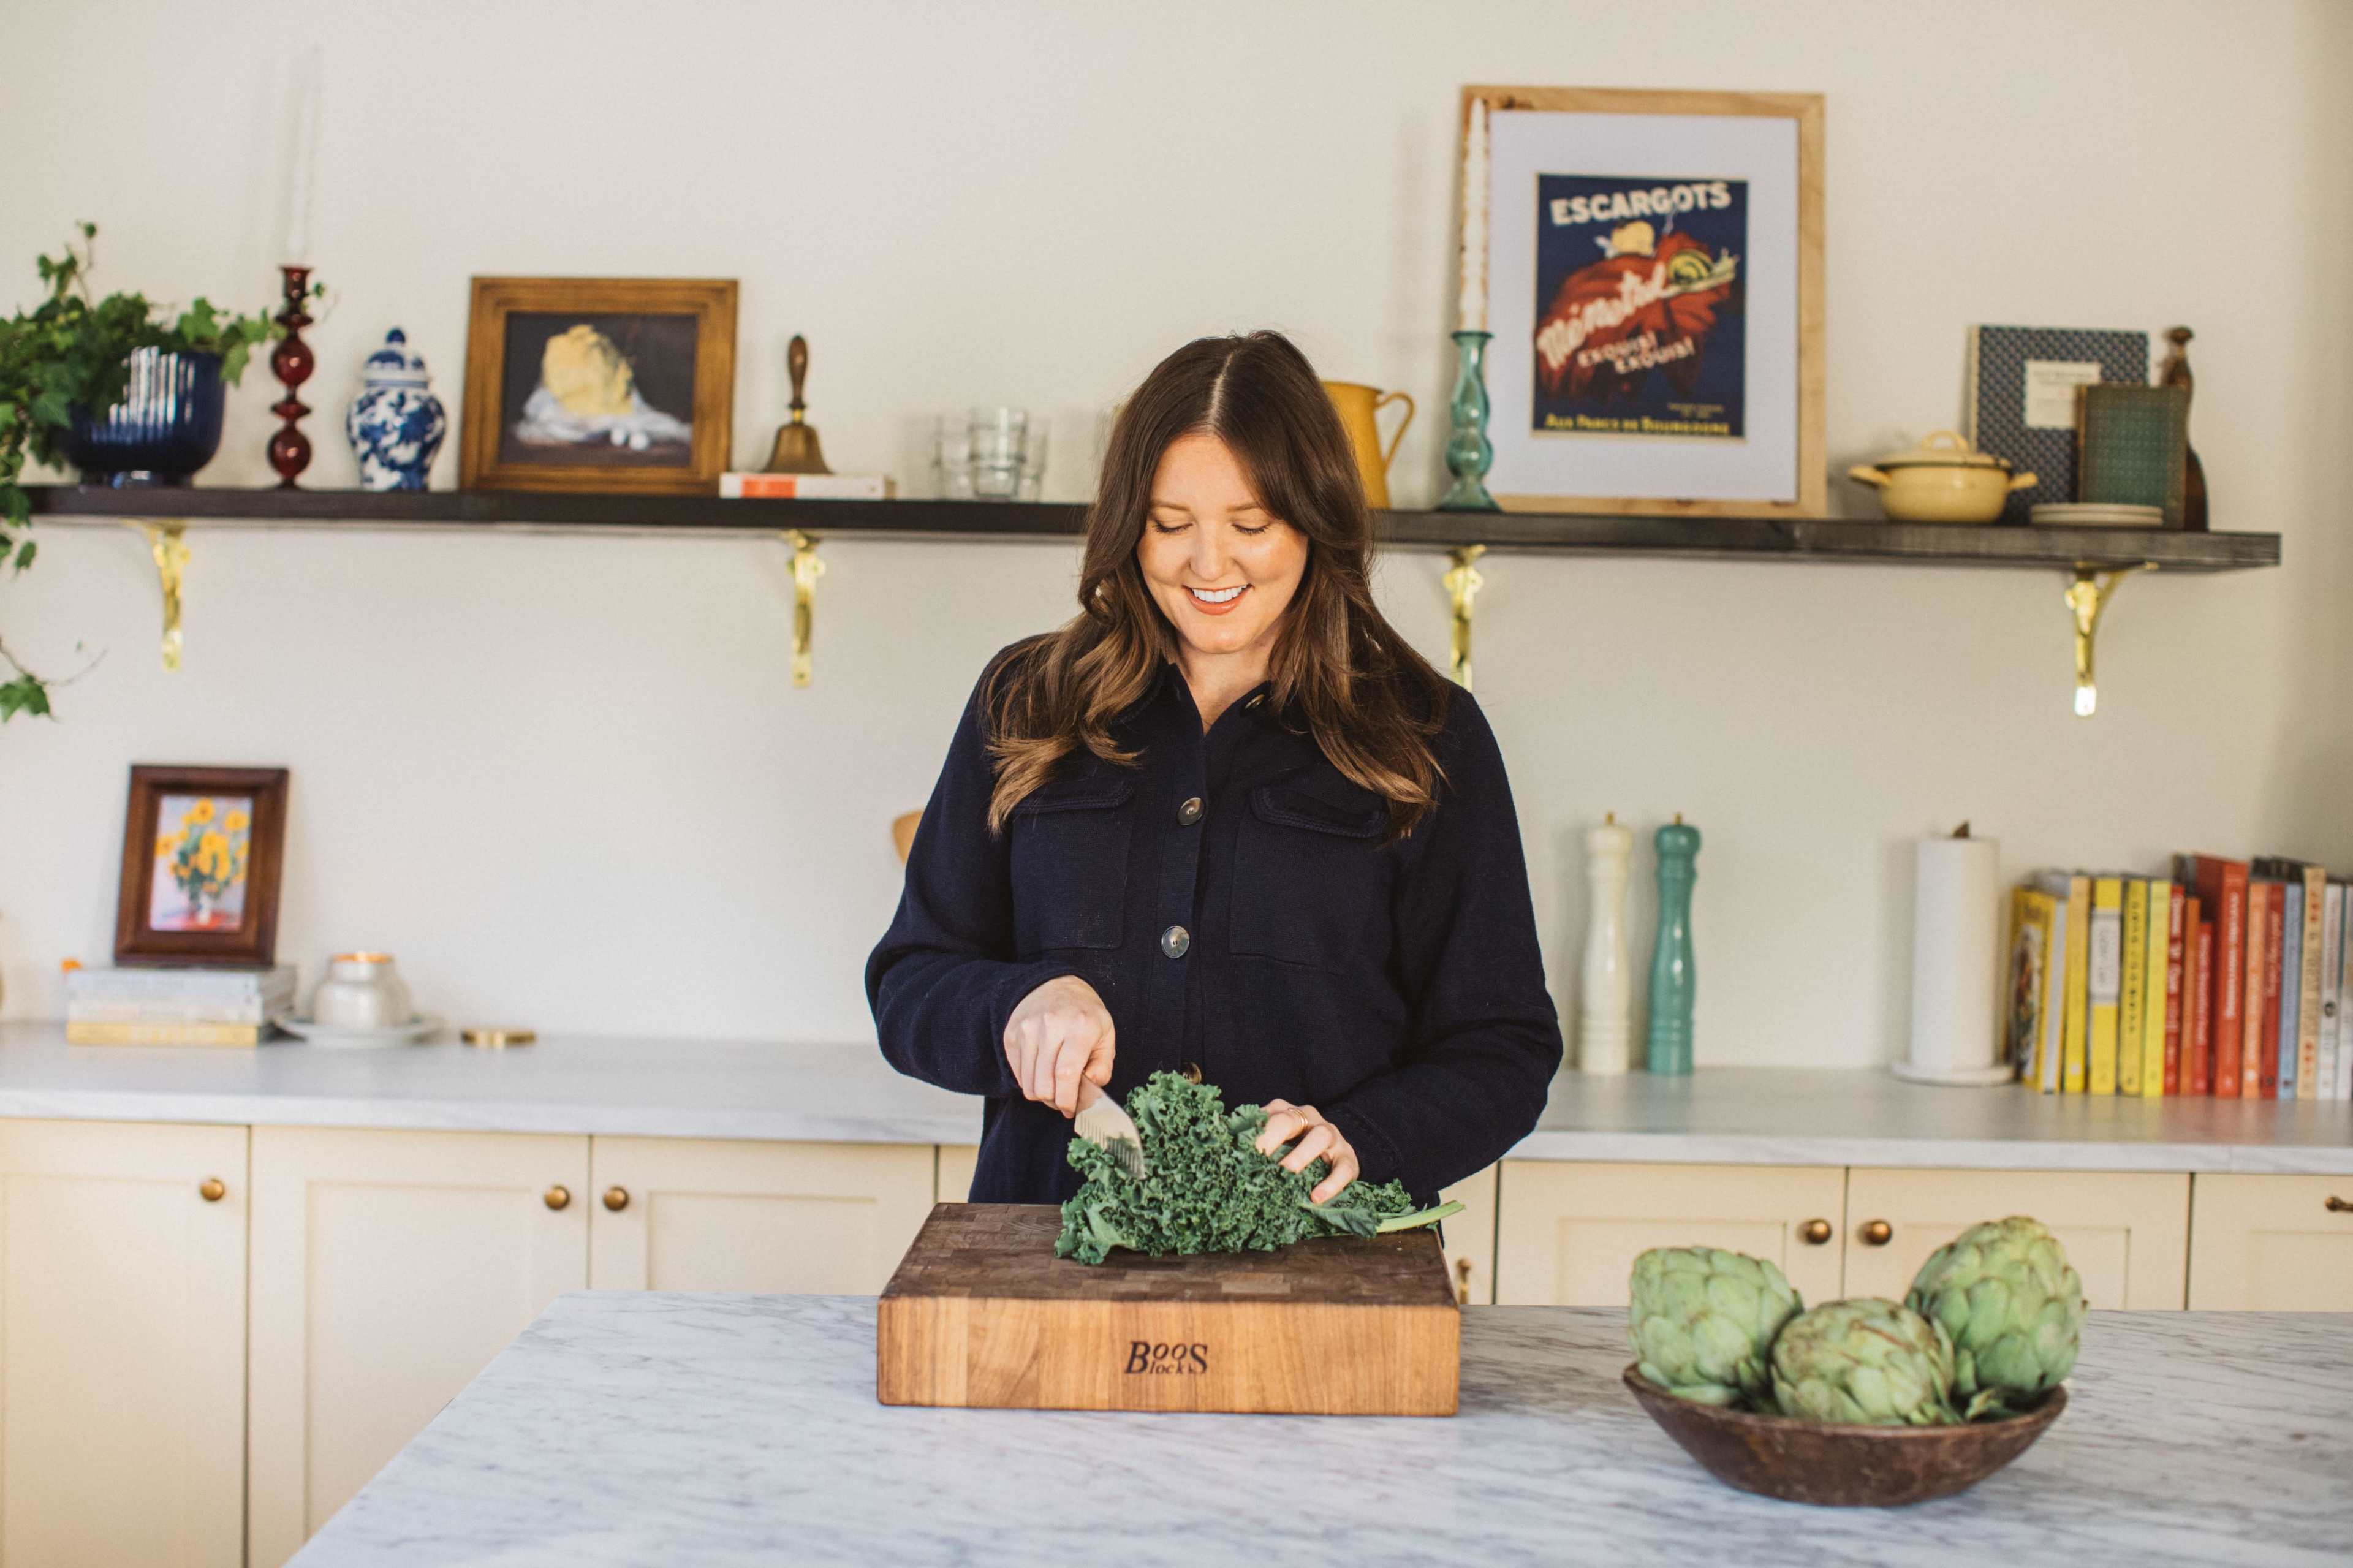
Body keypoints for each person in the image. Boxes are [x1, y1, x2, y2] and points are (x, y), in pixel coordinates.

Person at [868, 330, 1560, 1206]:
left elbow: (1504, 1047)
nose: (1208, 564)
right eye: (1169, 525)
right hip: (1047, 1264)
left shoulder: (1427, 735)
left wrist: (1366, 1140)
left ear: (1316, 519)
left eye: (1251, 525)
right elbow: (910, 985)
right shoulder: (1026, 702)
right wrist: (1016, 1001)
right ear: (1129, 526)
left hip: (1316, 1279)